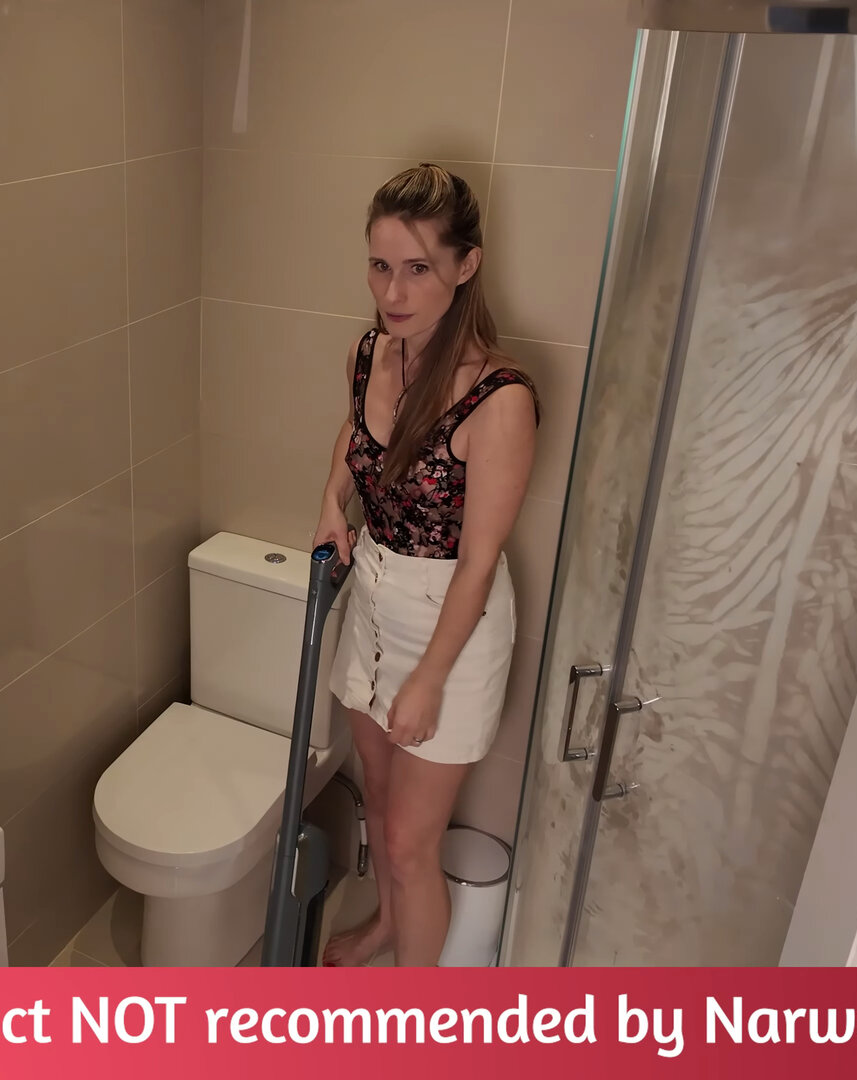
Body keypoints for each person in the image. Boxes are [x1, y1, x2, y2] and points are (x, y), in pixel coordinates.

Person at [315, 163, 538, 967]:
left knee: (412, 843)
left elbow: (478, 563)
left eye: (417, 268)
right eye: (380, 265)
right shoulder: (369, 351)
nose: (393, 291)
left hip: (452, 626)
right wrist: (331, 502)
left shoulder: (500, 399)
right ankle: (386, 925)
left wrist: (430, 680)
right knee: (379, 805)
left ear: (465, 265)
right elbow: (356, 434)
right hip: (375, 599)